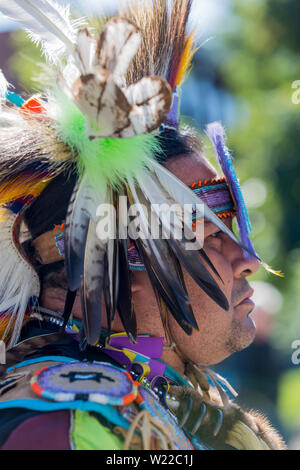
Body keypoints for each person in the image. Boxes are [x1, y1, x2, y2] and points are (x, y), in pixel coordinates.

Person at [0, 0, 285, 450]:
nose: (248, 260)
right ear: (108, 263)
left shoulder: (164, 404)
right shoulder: (64, 422)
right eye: (211, 234)